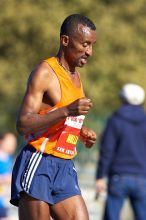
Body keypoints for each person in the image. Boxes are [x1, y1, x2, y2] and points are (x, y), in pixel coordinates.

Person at [10, 14, 97, 220]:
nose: (89, 51)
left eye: (92, 45)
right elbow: (23, 124)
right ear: (65, 41)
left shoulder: (76, 75)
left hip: (64, 165)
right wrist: (67, 110)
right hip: (39, 161)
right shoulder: (45, 72)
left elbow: (56, 116)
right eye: (85, 44)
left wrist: (80, 132)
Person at [95, 83, 146, 220]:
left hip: (118, 176)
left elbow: (107, 150)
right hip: (142, 177)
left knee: (112, 216)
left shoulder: (116, 120)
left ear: (122, 98)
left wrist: (100, 176)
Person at [0, 133, 17, 220]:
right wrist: (5, 179)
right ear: (1, 141)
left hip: (5, 202)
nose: (13, 145)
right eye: (10, 142)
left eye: (14, 142)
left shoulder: (10, 159)